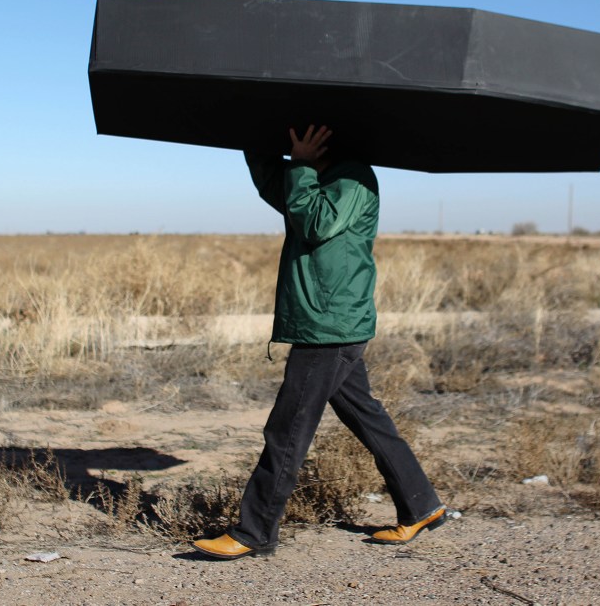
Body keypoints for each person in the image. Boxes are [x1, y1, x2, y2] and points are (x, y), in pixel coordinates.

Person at [191, 125, 446, 560]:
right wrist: (258, 139)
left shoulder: (352, 177)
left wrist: (303, 165)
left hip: (331, 327)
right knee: (368, 418)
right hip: (330, 322)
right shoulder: (312, 178)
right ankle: (422, 505)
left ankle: (254, 532)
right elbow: (279, 190)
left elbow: (315, 222)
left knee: (287, 429)